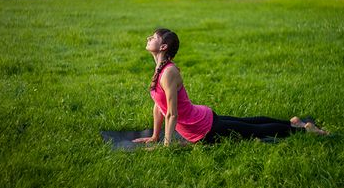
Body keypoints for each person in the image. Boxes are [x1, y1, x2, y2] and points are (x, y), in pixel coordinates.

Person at [133, 28, 328, 147]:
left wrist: (167, 145)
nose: (148, 38)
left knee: (254, 131)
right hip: (203, 118)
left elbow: (171, 115)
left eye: (153, 37)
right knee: (248, 123)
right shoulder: (159, 69)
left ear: (164, 47)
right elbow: (159, 106)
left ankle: (303, 130)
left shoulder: (168, 73)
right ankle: (292, 122)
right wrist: (155, 136)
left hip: (205, 129)